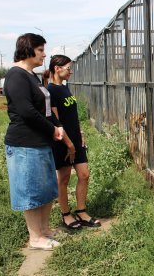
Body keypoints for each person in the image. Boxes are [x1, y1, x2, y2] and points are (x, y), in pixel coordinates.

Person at [4, 33, 63, 251]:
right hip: (24, 144)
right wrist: (52, 129)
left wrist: (57, 126)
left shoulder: (32, 76)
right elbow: (27, 112)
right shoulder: (16, 76)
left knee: (46, 188)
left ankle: (45, 229)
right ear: (27, 50)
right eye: (40, 50)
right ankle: (35, 237)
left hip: (41, 141)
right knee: (30, 191)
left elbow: (43, 109)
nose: (44, 54)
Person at [44, 54, 101, 230]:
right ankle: (66, 214)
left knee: (84, 174)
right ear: (57, 69)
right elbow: (57, 121)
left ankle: (81, 211)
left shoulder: (65, 88)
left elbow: (72, 115)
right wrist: (69, 144)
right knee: (64, 178)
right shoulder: (51, 91)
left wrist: (80, 133)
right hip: (63, 142)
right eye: (68, 68)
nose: (71, 71)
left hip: (76, 139)